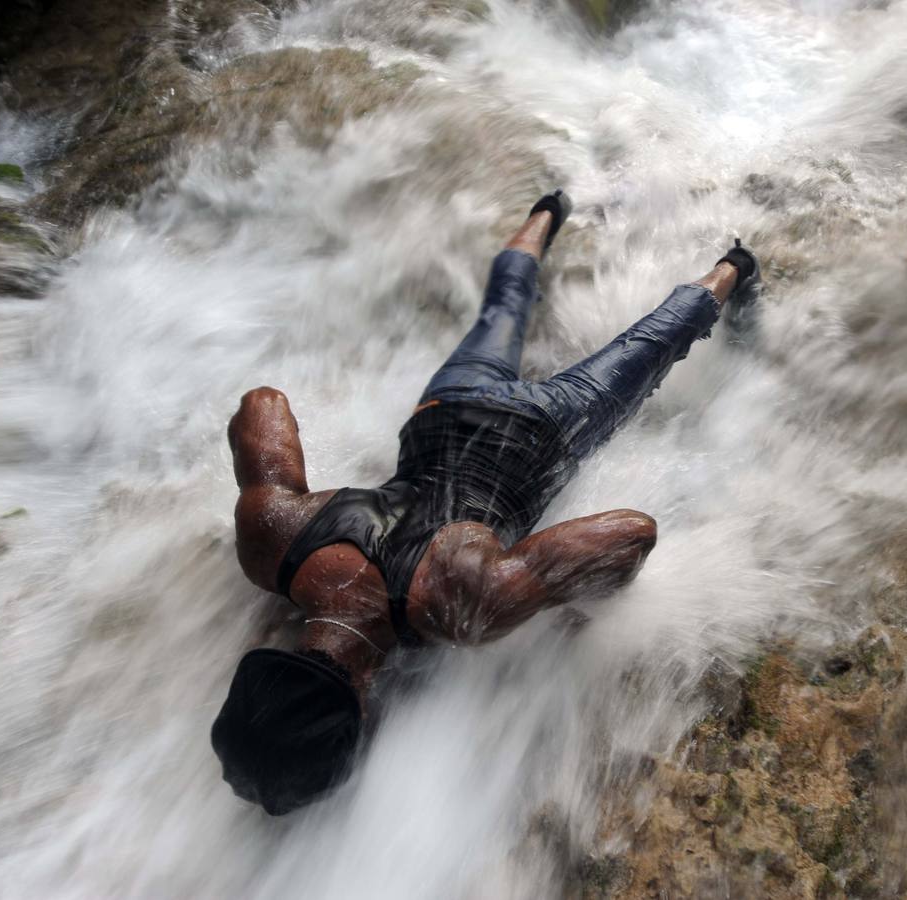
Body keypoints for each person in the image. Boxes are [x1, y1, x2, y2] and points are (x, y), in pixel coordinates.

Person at [210, 190, 760, 815]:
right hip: (445, 407)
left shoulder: (460, 606)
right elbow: (263, 404)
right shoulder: (272, 541)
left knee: (656, 342)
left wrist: (562, 603)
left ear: (364, 705)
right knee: (504, 305)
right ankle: (548, 211)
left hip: (547, 429)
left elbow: (632, 532)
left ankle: (735, 266)